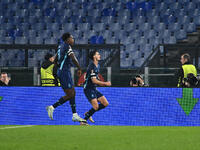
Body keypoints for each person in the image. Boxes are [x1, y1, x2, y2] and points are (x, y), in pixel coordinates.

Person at [46, 32, 85, 122]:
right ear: (68, 39)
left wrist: (58, 68)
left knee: (73, 92)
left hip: (63, 71)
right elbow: (73, 58)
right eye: (72, 38)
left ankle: (74, 115)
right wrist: (79, 68)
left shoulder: (60, 47)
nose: (73, 39)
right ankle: (52, 107)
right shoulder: (67, 47)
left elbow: (54, 60)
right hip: (64, 73)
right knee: (70, 94)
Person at [82, 50, 111, 125]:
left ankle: (89, 113)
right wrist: (105, 83)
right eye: (98, 54)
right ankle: (83, 121)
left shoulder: (98, 65)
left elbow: (96, 79)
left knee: (105, 103)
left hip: (93, 88)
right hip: (88, 89)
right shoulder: (91, 67)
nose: (99, 55)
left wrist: (101, 83)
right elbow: (94, 80)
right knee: (96, 106)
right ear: (94, 57)